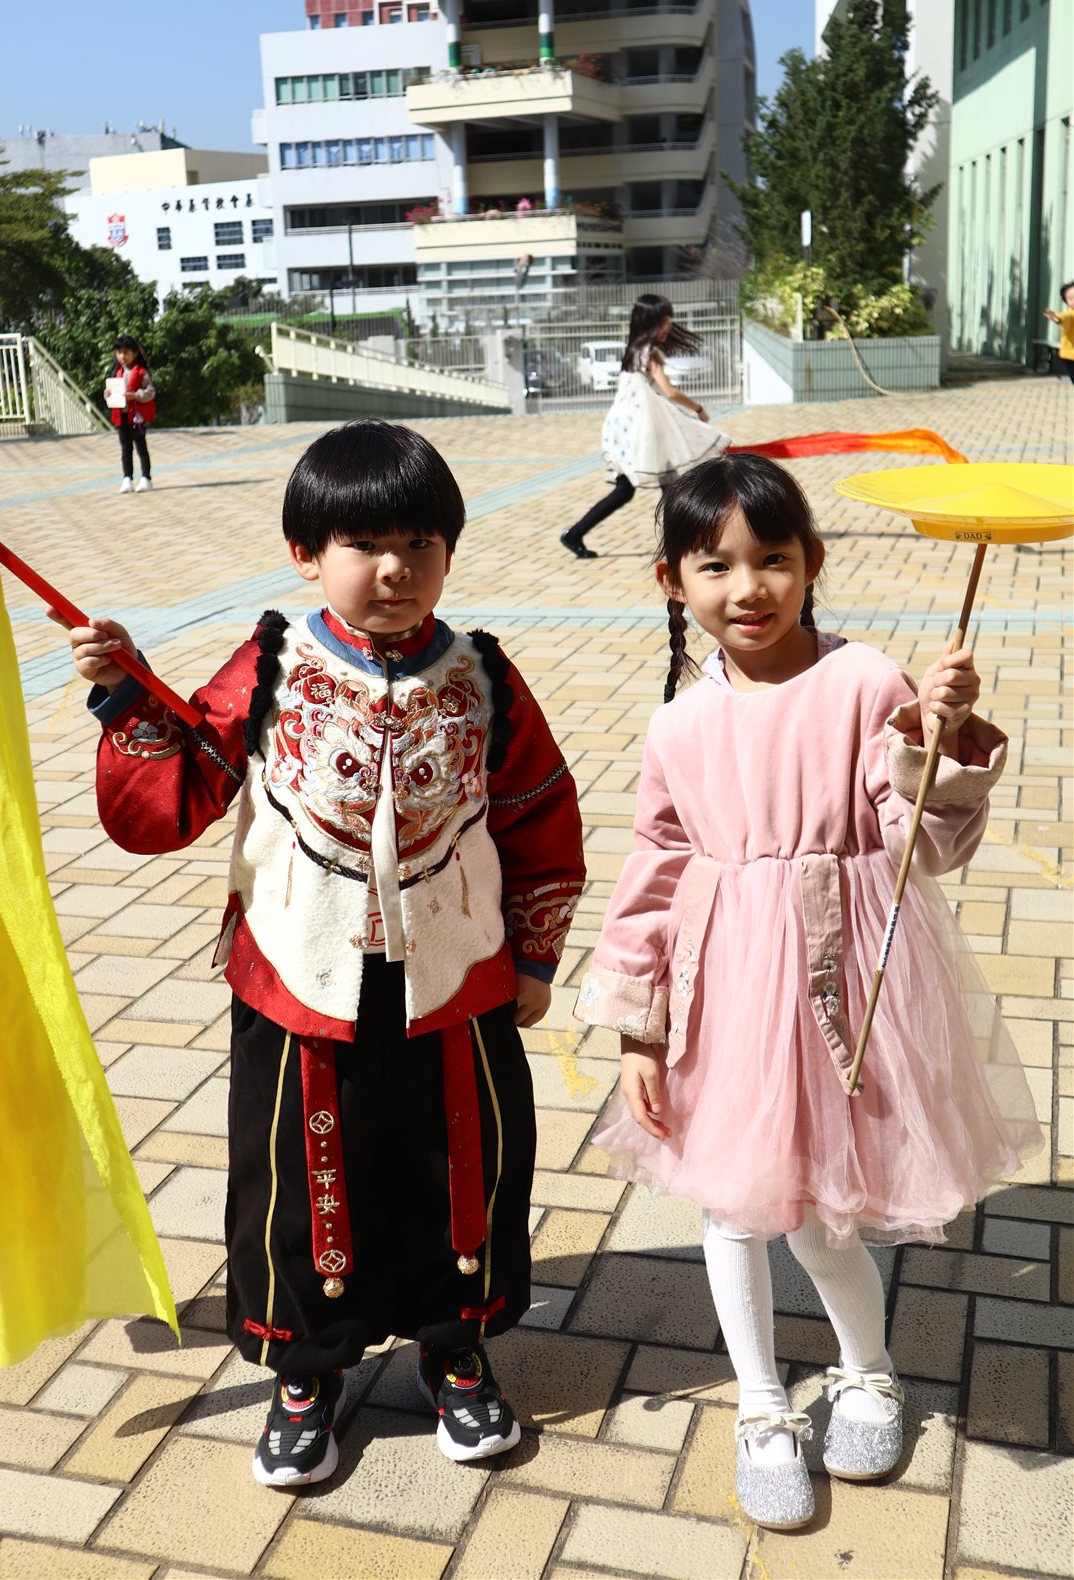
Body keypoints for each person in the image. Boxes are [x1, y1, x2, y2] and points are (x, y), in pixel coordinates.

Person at [56, 420, 585, 1489]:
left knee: (459, 1167)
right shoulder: (270, 665)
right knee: (300, 1181)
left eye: (420, 543)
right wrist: (127, 694)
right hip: (300, 975)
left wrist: (533, 959)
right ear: (306, 554)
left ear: (449, 551)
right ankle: (307, 1371)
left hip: (453, 974)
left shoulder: (482, 673)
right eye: (364, 543)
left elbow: (538, 811)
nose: (395, 568)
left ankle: (455, 1348)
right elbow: (178, 793)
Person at [575, 454, 1040, 1531]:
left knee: (826, 1217)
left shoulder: (865, 681)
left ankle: (869, 1370)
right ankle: (759, 1405)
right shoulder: (677, 724)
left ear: (811, 563)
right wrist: (638, 1028)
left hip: (845, 979)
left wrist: (932, 737)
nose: (747, 587)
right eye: (714, 565)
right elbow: (655, 868)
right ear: (670, 579)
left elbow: (924, 844)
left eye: (772, 559)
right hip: (725, 989)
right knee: (731, 1209)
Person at [559, 293, 730, 560]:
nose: (668, 327)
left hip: (624, 429)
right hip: (639, 431)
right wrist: (698, 409)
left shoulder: (633, 350)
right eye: (665, 322)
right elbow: (669, 391)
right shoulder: (649, 353)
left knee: (637, 489)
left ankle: (576, 534)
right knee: (659, 488)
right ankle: (682, 544)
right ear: (652, 322)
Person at [104, 336, 155, 492]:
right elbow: (111, 392)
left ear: (135, 353)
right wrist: (107, 394)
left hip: (136, 417)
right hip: (122, 416)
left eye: (126, 352)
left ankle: (146, 478)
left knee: (141, 448)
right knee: (125, 449)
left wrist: (136, 395)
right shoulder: (116, 372)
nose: (122, 356)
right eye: (119, 353)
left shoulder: (141, 372)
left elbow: (150, 392)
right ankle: (127, 478)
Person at [1042, 281, 1074, 383]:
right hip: (1070, 356)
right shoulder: (1070, 314)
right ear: (1066, 302)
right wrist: (1055, 318)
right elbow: (1062, 318)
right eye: (1071, 299)